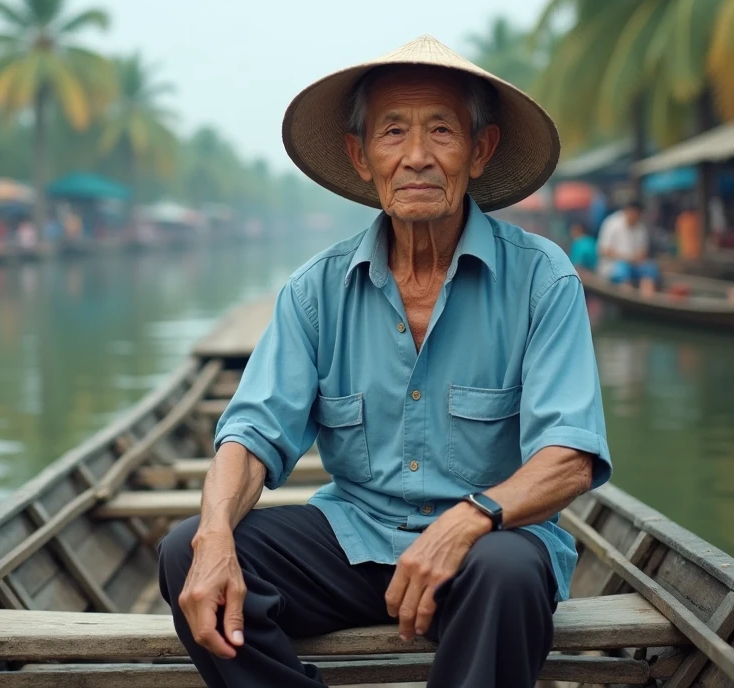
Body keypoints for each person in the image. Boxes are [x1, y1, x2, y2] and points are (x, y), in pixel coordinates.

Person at [157, 35, 611, 688]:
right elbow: (252, 434)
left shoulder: (542, 279)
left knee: (510, 572)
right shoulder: (318, 289)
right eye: (393, 132)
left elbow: (569, 456)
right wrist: (213, 538)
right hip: (355, 542)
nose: (417, 157)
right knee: (185, 555)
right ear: (361, 155)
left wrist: (468, 519)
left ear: (479, 151)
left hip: (487, 547)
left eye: (442, 132)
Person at [596, 200, 660, 296]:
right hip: (613, 266)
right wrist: (625, 258)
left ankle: (647, 299)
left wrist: (635, 259)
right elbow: (604, 250)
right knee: (623, 269)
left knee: (650, 268)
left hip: (634, 265)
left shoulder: (640, 228)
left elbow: (643, 253)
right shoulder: (612, 223)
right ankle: (627, 297)